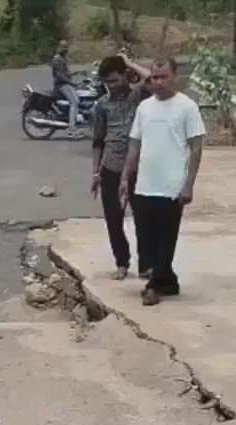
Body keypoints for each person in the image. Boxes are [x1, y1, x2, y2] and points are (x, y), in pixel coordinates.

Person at [119, 57, 205, 306]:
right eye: (154, 77)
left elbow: (196, 148)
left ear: (174, 77)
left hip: (171, 186)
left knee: (166, 238)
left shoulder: (187, 107)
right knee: (146, 238)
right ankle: (168, 281)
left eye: (163, 77)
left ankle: (154, 286)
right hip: (145, 184)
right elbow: (134, 145)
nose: (157, 82)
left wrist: (189, 184)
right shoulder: (144, 108)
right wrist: (126, 177)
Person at [90, 54, 153, 281]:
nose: (112, 87)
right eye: (108, 83)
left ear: (125, 76)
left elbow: (152, 80)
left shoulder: (138, 96)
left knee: (142, 217)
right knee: (113, 218)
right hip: (111, 166)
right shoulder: (102, 105)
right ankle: (121, 262)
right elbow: (98, 140)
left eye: (115, 80)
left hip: (138, 166)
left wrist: (128, 62)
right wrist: (96, 172)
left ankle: (145, 264)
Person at [51, 41, 79, 139]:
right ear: (59, 48)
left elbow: (65, 73)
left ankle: (74, 122)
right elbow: (59, 75)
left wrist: (75, 74)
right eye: (63, 48)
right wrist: (71, 83)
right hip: (62, 85)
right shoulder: (57, 59)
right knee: (75, 102)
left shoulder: (63, 59)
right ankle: (71, 129)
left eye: (66, 48)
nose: (65, 50)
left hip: (65, 84)